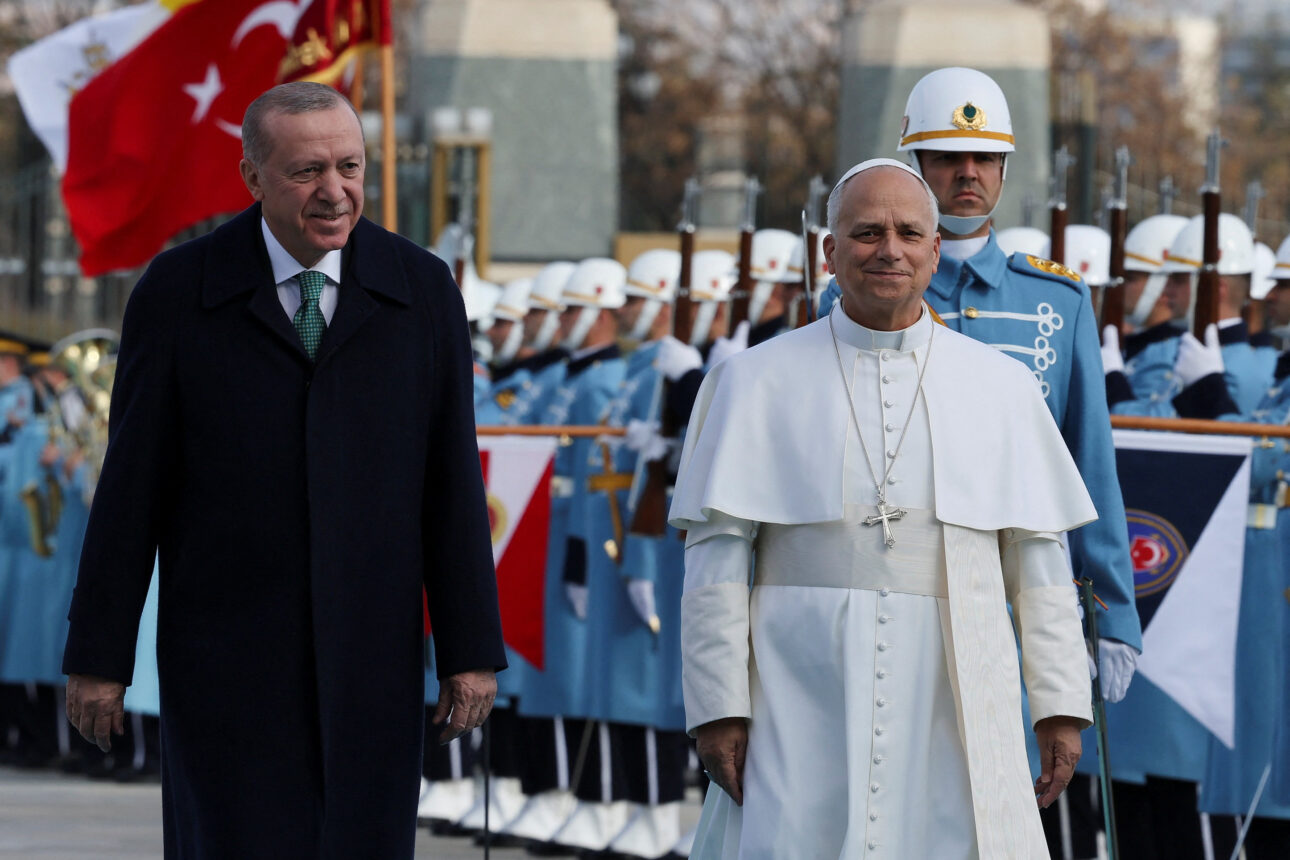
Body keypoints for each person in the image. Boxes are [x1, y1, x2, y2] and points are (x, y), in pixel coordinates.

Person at [61, 82, 505, 858]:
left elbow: (452, 484)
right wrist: (99, 657)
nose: (335, 192)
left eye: (350, 167)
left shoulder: (422, 290)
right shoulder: (178, 292)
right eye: (307, 172)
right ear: (253, 178)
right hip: (228, 664)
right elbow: (131, 487)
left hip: (371, 665)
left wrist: (470, 649)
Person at [674, 159, 1094, 858]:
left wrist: (1058, 703)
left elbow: (1039, 562)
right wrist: (719, 706)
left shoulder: (1001, 388)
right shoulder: (752, 380)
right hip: (796, 688)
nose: (888, 249)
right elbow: (715, 560)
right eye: (866, 232)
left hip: (955, 683)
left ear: (935, 250)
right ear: (829, 251)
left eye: (908, 232)